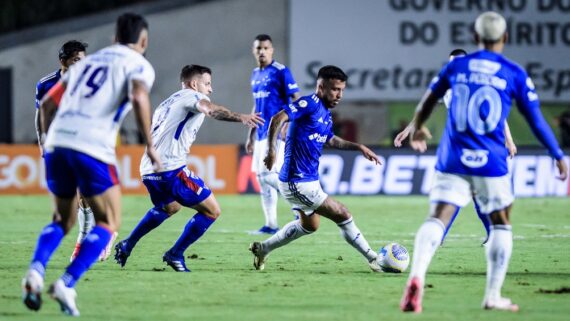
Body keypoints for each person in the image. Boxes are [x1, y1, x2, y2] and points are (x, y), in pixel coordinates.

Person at [400, 12, 568, 313]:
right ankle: (492, 295)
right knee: (501, 222)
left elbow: (425, 103)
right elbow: (537, 121)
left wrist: (418, 127)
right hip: (491, 160)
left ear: (475, 37)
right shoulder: (513, 72)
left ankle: (416, 277)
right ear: (505, 38)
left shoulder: (455, 67)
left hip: (453, 157)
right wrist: (557, 154)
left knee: (437, 217)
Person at [22, 13, 160, 316]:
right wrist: (149, 144)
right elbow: (138, 95)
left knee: (62, 219)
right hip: (91, 144)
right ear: (144, 41)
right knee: (109, 221)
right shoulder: (139, 64)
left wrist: (50, 141)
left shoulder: (88, 63)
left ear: (113, 39)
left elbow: (47, 106)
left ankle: (35, 271)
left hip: (57, 142)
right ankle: (66, 283)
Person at [114, 65, 264, 272]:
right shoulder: (193, 97)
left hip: (149, 169)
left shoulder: (167, 102)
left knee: (169, 207)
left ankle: (127, 244)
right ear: (194, 84)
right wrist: (241, 117)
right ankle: (175, 254)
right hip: (170, 169)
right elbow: (210, 110)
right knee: (212, 211)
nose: (210, 89)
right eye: (208, 83)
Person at [249, 65, 384, 273]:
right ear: (321, 87)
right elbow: (278, 118)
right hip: (297, 181)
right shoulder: (309, 104)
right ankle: (374, 258)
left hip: (309, 180)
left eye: (342, 90)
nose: (339, 95)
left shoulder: (325, 114)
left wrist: (358, 147)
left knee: (310, 226)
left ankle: (263, 248)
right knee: (343, 214)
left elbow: (331, 139)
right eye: (335, 89)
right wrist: (271, 151)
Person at [394, 48, 518, 245]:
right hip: (458, 146)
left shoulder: (478, 83)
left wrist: (508, 140)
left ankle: (482, 235)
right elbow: (428, 107)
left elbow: (498, 115)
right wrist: (410, 129)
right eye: (452, 62)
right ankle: (443, 236)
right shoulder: (450, 85)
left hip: (482, 145)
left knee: (473, 194)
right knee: (456, 193)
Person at [34, 40, 115, 262]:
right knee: (72, 202)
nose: (81, 65)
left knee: (84, 194)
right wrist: (43, 142)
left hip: (84, 142)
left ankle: (90, 239)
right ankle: (104, 231)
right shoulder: (46, 84)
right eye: (76, 60)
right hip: (59, 145)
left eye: (83, 60)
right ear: (63, 61)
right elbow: (41, 114)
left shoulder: (88, 82)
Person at [245, 34, 300, 235]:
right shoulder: (254, 74)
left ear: (272, 50)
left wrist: (290, 123)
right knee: (262, 178)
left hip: (276, 132)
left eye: (265, 48)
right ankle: (270, 224)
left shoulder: (281, 72)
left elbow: (297, 99)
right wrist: (250, 134)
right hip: (260, 133)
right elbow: (256, 106)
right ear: (254, 50)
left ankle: (298, 206)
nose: (262, 51)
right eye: (258, 48)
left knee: (268, 174)